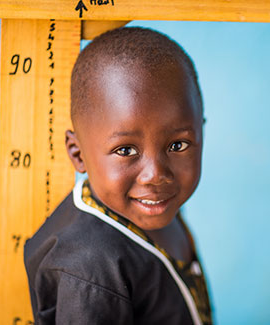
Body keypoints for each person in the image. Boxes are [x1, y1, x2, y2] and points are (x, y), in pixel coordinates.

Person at [24, 27, 212, 325]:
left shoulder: (157, 204)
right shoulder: (90, 270)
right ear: (78, 154)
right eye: (125, 150)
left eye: (177, 145)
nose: (156, 175)